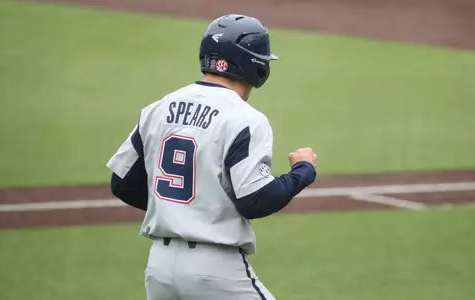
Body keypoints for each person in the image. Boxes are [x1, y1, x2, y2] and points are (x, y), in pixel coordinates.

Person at [106, 14, 318, 300]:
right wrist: (302, 171)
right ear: (256, 65)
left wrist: (181, 211)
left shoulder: (158, 107)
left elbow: (122, 184)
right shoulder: (245, 119)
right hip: (216, 272)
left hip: (159, 269)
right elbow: (256, 200)